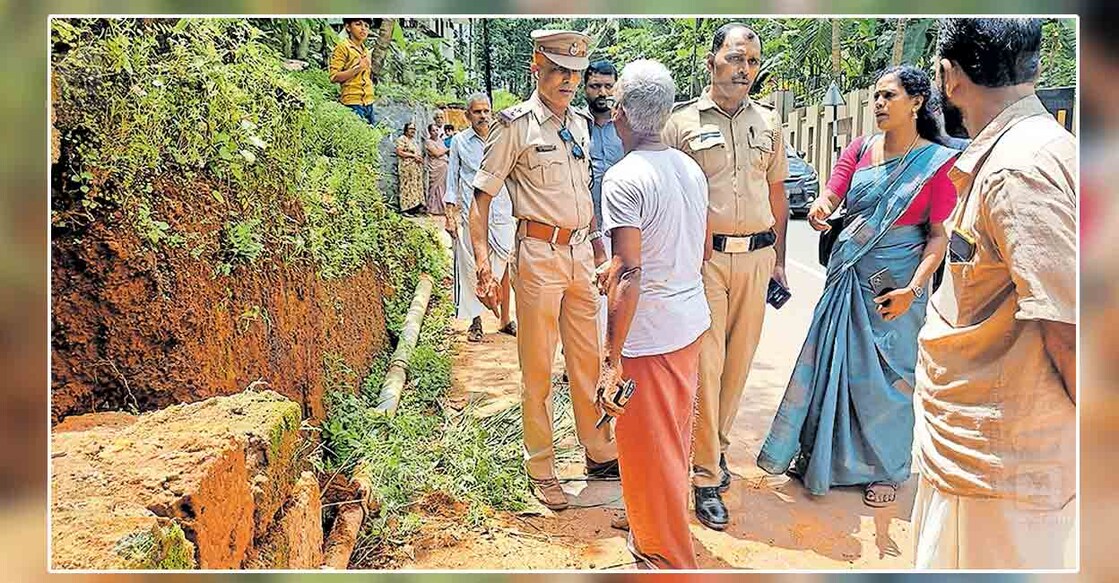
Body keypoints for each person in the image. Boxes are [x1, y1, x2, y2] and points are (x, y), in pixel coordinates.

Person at [911, 18, 1076, 569]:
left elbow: (1071, 332)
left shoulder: (1018, 170)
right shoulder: (1038, 147)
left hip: (998, 468)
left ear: (947, 76)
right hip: (983, 455)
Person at [756, 66, 960, 507]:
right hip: (847, 275)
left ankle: (885, 468)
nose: (880, 104)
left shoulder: (938, 165)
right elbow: (832, 193)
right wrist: (819, 208)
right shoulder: (860, 148)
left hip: (896, 288)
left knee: (889, 377)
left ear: (917, 102)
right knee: (834, 366)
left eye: (889, 96)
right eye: (876, 97)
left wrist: (914, 289)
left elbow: (938, 235)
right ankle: (821, 456)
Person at [469, 29, 619, 510]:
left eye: (575, 73)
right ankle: (541, 465)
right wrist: (482, 265)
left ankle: (597, 450)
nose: (569, 81)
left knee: (588, 361)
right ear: (537, 66)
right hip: (536, 255)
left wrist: (598, 251)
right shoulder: (513, 125)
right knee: (537, 366)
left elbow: (586, 198)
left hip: (579, 255)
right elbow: (481, 199)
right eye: (559, 70)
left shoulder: (578, 124)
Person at [662, 23, 789, 530]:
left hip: (757, 257)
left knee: (738, 365)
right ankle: (705, 474)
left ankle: (715, 448)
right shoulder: (681, 124)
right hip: (705, 261)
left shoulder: (771, 124)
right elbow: (667, 194)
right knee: (707, 366)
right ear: (712, 60)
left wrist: (779, 259)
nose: (745, 69)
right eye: (736, 58)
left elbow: (777, 192)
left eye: (754, 62)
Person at [596, 59, 710, 570]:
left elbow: (629, 275)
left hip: (652, 333)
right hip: (688, 320)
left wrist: (609, 358)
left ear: (619, 110)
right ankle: (650, 524)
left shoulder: (625, 177)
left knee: (649, 444)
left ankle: (665, 557)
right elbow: (700, 251)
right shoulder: (689, 168)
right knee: (669, 438)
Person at [443, 94, 517, 342]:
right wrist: (449, 215)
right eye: (477, 112)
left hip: (503, 213)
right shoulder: (460, 142)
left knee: (505, 267)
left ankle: (506, 319)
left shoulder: (502, 139)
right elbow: (452, 179)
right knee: (473, 268)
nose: (483, 116)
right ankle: (475, 322)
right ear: (467, 115)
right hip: (472, 216)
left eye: (486, 111)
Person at [584, 59, 625, 343]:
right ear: (584, 88)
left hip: (623, 226)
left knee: (620, 291)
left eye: (608, 86)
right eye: (595, 86)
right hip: (583, 229)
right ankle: (581, 354)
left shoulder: (627, 126)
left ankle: (615, 351)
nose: (602, 92)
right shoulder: (574, 124)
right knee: (586, 294)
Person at [329, 18, 377, 125]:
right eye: (358, 24)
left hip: (369, 102)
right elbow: (334, 76)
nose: (363, 28)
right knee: (358, 139)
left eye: (366, 26)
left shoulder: (366, 51)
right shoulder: (342, 48)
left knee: (372, 139)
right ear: (348, 27)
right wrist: (358, 68)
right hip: (352, 103)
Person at [394, 122, 425, 214]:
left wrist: (418, 158)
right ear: (406, 130)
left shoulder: (413, 141)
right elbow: (399, 152)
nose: (413, 131)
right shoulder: (402, 139)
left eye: (414, 129)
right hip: (406, 168)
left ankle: (413, 209)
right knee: (406, 187)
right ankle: (405, 209)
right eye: (411, 129)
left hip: (415, 168)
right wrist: (413, 156)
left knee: (414, 188)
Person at [423, 123, 449, 216]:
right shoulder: (428, 142)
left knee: (443, 187)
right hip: (435, 167)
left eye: (437, 130)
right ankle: (432, 209)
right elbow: (437, 153)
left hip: (444, 166)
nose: (435, 132)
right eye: (433, 130)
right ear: (429, 132)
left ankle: (442, 208)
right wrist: (447, 148)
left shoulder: (440, 141)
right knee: (434, 188)